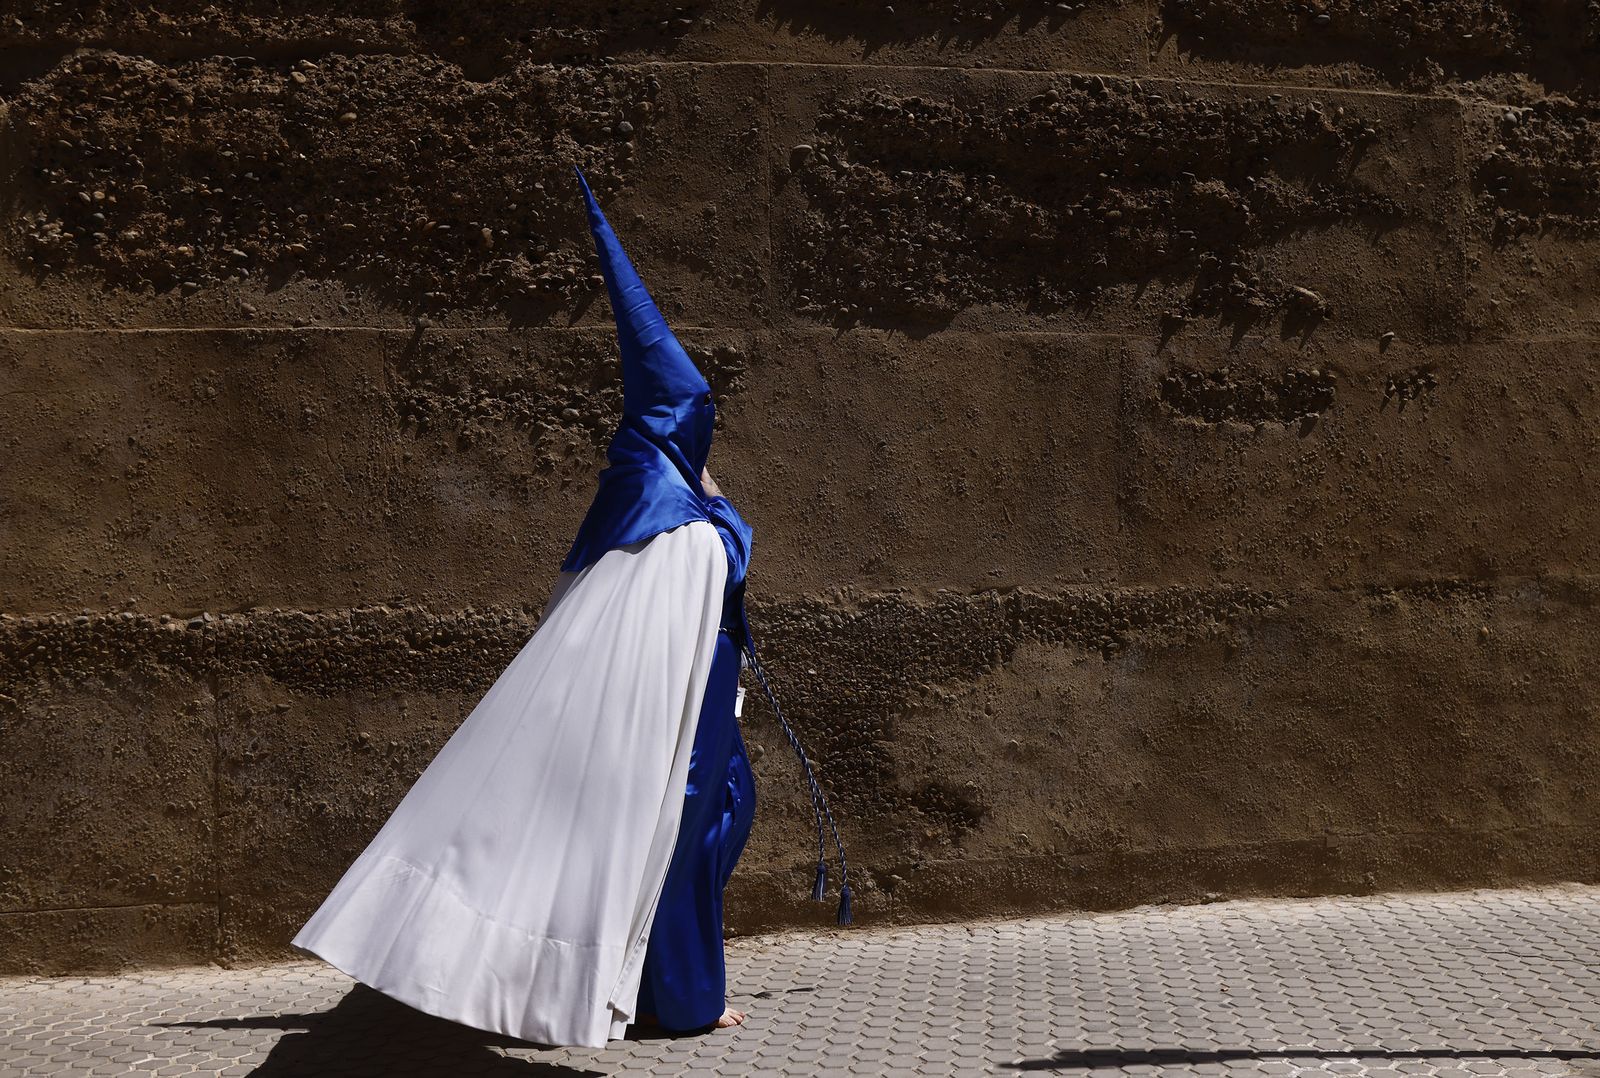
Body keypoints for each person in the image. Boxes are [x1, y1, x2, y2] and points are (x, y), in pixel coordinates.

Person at [290, 170, 847, 1048]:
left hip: (704, 696)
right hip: (676, 707)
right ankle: (679, 1001)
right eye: (699, 414)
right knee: (683, 827)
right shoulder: (663, 512)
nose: (709, 426)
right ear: (677, 423)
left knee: (713, 820)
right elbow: (661, 619)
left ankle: (667, 988)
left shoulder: (678, 498)